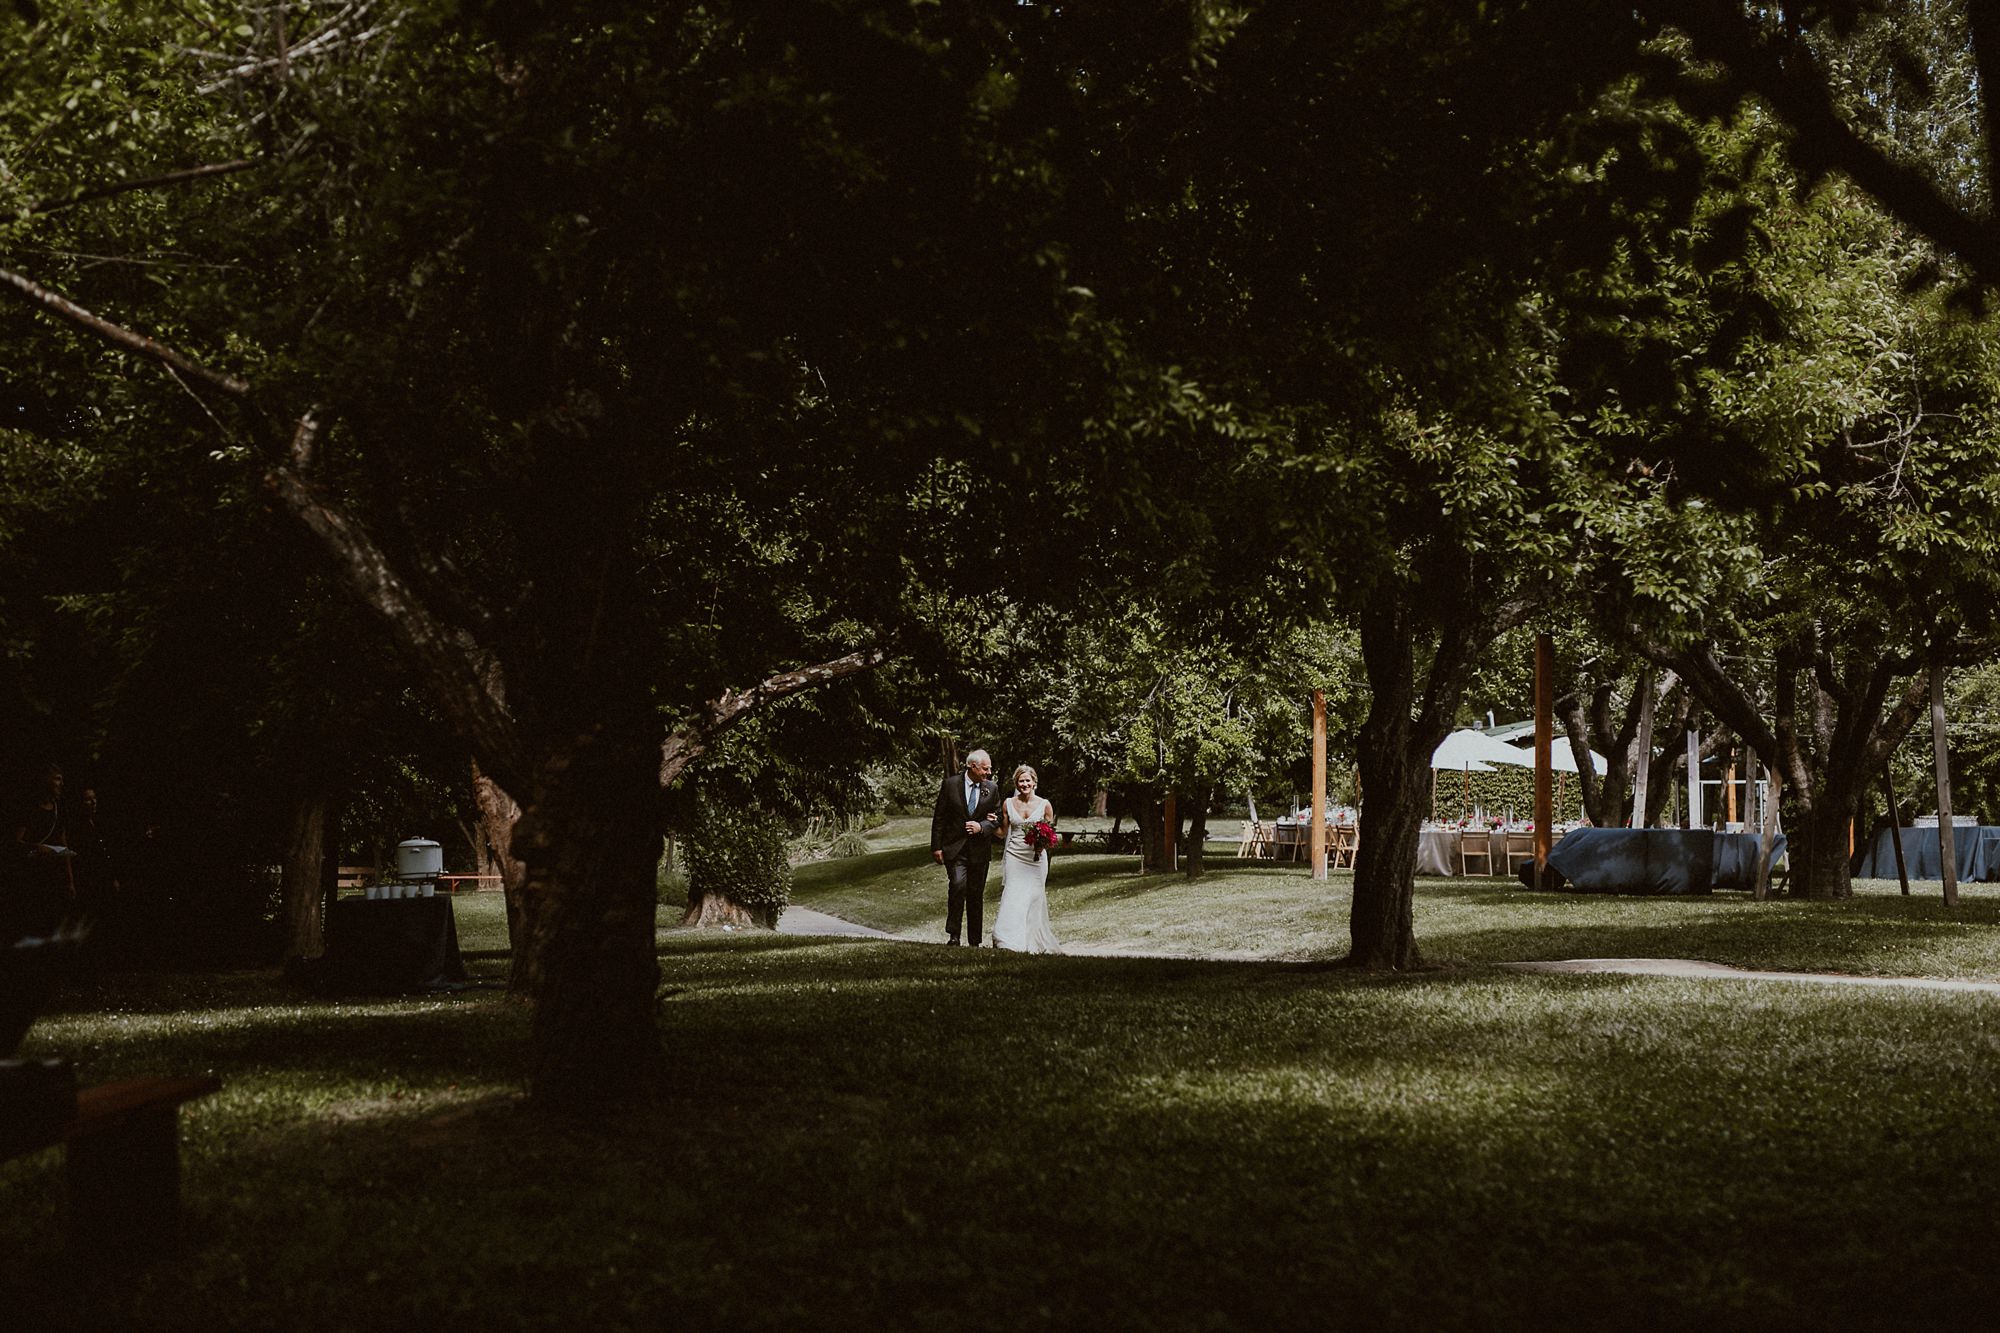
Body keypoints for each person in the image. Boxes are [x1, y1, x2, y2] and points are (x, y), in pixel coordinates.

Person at [931, 749, 1001, 946]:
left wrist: (982, 826)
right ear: (973, 766)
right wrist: (936, 847)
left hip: (979, 850)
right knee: (957, 886)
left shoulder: (992, 788)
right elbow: (940, 818)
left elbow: (998, 818)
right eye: (985, 769)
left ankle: (974, 940)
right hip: (954, 848)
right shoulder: (950, 785)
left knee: (975, 892)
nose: (988, 772)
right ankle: (954, 935)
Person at [993, 763, 1060, 954]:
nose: (1024, 784)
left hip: (1036, 858)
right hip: (1015, 856)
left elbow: (1051, 836)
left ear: (1034, 782)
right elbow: (1002, 833)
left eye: (1027, 780)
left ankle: (1032, 941)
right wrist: (989, 824)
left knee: (1033, 898)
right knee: (1013, 895)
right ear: (1016, 783)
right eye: (1021, 781)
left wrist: (1041, 843)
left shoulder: (1045, 805)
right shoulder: (1008, 803)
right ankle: (1006, 938)